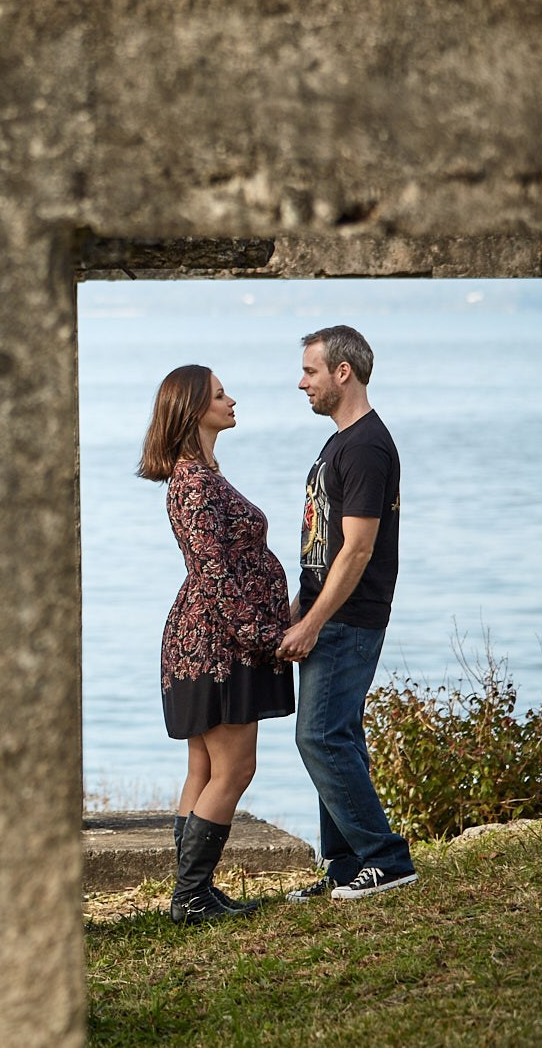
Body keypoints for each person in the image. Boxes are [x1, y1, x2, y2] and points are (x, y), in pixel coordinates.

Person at [138, 364, 295, 924]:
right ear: (193, 410)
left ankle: (193, 892)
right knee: (234, 768)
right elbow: (216, 576)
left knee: (204, 769)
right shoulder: (196, 484)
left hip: (209, 638)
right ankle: (191, 897)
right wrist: (266, 637)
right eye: (221, 395)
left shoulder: (200, 476)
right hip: (217, 644)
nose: (232, 401)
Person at [278, 325, 419, 899]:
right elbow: (326, 542)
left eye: (310, 371)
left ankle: (386, 858)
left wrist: (314, 622)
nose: (302, 382)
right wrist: (301, 606)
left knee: (319, 737)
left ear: (344, 372)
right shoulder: (340, 442)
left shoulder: (363, 446)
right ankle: (345, 865)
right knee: (339, 736)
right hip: (328, 612)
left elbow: (358, 548)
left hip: (349, 618)